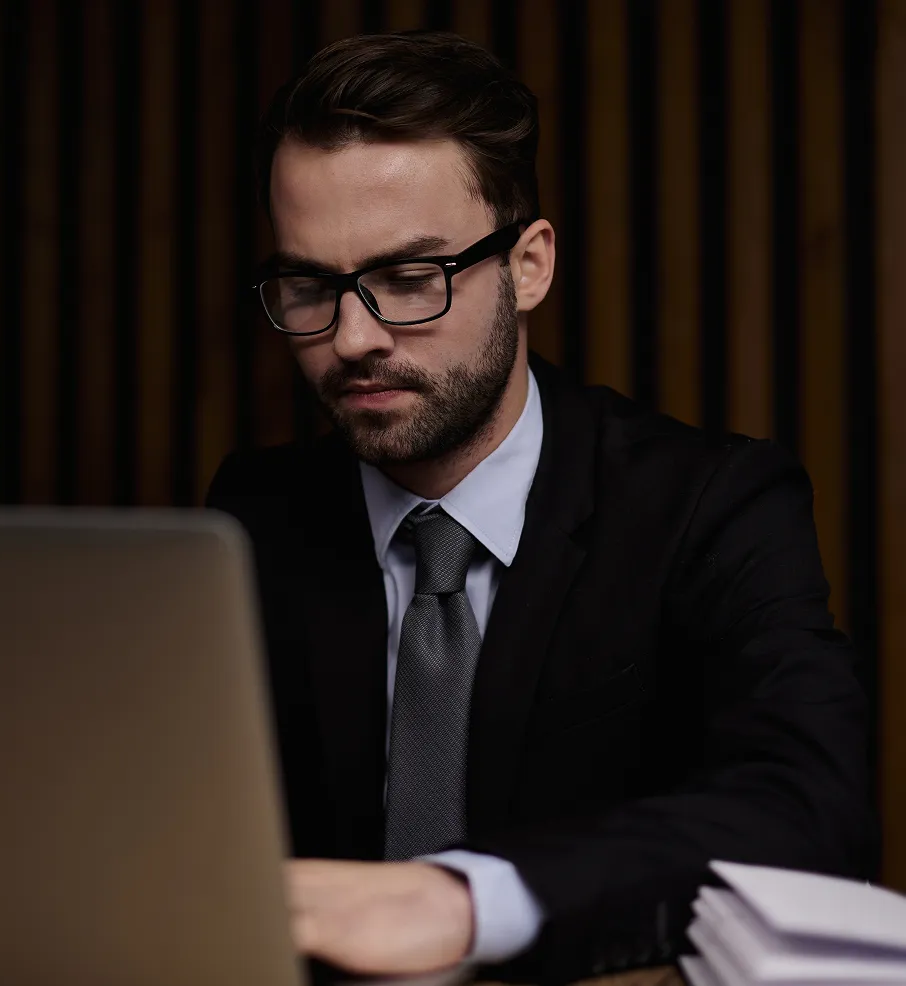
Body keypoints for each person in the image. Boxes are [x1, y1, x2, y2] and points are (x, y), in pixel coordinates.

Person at [206, 30, 874, 985]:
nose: (352, 338)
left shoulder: (708, 505)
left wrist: (464, 902)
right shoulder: (254, 516)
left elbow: (813, 811)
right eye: (311, 286)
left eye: (407, 279)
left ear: (529, 266)